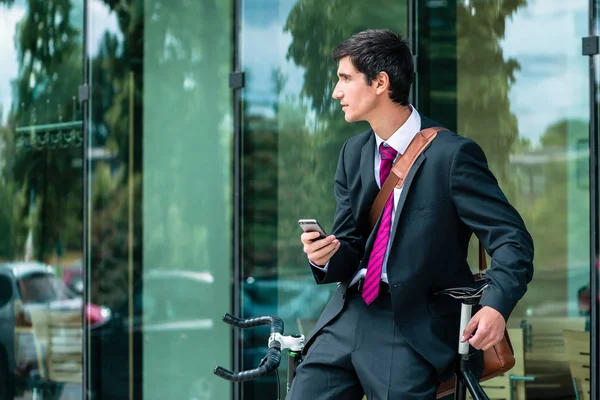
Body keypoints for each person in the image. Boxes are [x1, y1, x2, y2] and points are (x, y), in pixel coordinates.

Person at [287, 29, 534, 400]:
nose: (337, 92)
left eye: (345, 79)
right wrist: (325, 256)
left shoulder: (452, 156)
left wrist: (496, 306)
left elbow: (512, 240)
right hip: (347, 314)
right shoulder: (352, 153)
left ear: (380, 83)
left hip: (410, 326)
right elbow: (351, 246)